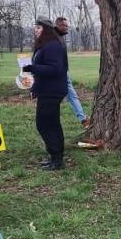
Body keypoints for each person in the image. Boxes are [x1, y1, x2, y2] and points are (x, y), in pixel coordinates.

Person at [23, 19, 69, 169]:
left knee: (45, 124)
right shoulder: (45, 45)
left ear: (46, 30)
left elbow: (55, 69)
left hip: (52, 91)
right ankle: (55, 156)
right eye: (35, 28)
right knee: (50, 124)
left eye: (38, 28)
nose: (35, 30)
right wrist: (34, 88)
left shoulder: (53, 45)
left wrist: (32, 68)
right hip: (46, 90)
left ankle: (57, 159)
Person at [54, 16, 90, 128]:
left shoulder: (59, 37)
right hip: (59, 72)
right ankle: (83, 119)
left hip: (62, 71)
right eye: (63, 25)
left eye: (66, 25)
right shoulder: (54, 39)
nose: (66, 27)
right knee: (71, 95)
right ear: (57, 25)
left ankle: (83, 119)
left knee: (68, 96)